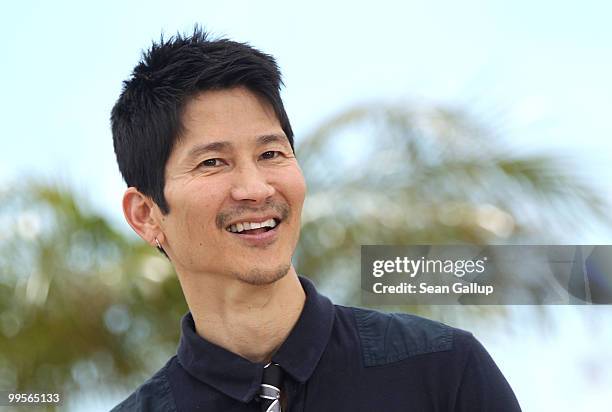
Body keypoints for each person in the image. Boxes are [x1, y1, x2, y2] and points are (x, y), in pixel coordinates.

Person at [110, 27, 521, 411]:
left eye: (271, 154)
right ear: (146, 215)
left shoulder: (444, 370)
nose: (256, 188)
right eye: (213, 162)